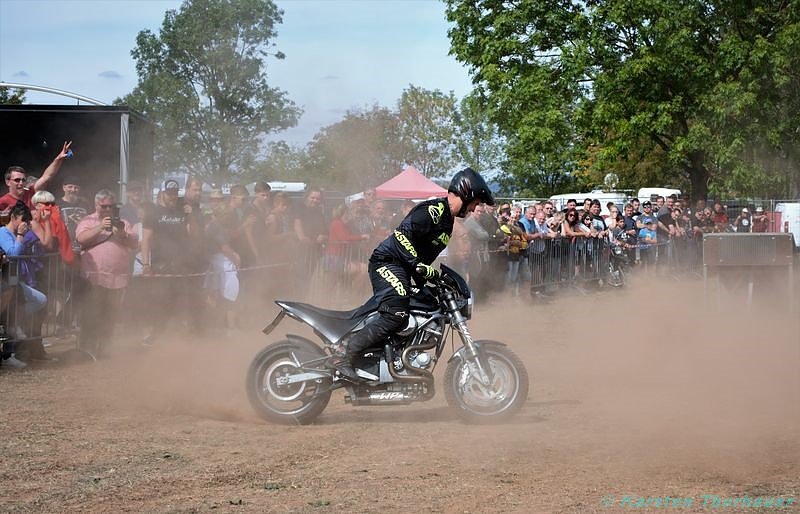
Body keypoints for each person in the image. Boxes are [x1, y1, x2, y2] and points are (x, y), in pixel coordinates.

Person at [331, 167, 494, 381]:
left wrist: (435, 280)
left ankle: (385, 357)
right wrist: (417, 265)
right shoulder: (433, 210)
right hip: (387, 262)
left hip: (403, 267)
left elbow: (425, 259)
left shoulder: (447, 223)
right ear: (467, 193)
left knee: (421, 305)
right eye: (476, 201)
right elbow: (401, 237)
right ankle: (344, 355)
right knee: (396, 313)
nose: (475, 207)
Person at [75, 190, 138, 356]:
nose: (108, 209)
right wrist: (100, 227)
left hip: (117, 278)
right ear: (97, 205)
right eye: (104, 206)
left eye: (111, 206)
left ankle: (104, 346)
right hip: (94, 276)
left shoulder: (122, 222)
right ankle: (87, 347)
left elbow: (134, 243)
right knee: (92, 312)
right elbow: (81, 239)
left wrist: (122, 234)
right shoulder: (88, 220)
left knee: (111, 313)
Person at [0, 141, 72, 212]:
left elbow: (46, 177)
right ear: (8, 182)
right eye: (17, 180)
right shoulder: (2, 202)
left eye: (23, 180)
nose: (21, 183)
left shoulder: (31, 192)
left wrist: (58, 159)